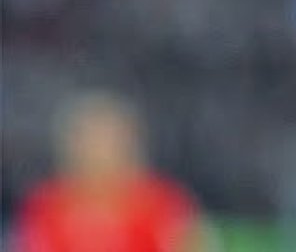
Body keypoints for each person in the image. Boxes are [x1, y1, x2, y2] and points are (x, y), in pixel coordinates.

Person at [13, 91, 203, 252]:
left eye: (107, 140)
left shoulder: (161, 203)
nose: (98, 151)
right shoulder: (45, 205)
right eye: (88, 140)